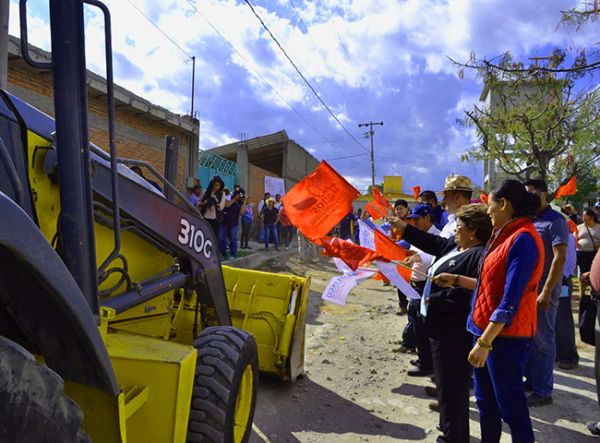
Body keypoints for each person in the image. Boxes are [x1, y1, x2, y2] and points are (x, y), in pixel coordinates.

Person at [392, 204, 493, 443]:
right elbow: (431, 243)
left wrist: (432, 299)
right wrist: (403, 227)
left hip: (454, 332)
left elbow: (470, 296)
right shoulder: (454, 246)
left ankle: (454, 438)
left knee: (452, 390)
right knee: (445, 386)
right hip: (439, 328)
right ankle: (448, 430)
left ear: (473, 230)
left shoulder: (478, 256)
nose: (454, 231)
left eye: (459, 227)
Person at [456, 179, 543, 443]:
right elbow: (489, 287)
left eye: (491, 209)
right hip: (485, 332)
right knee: (486, 403)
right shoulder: (502, 234)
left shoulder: (523, 240)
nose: (489, 214)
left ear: (504, 204)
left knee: (512, 409)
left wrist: (485, 342)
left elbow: (509, 301)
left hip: (505, 338)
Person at [523, 179, 569, 407]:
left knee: (543, 339)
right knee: (530, 337)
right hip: (529, 288)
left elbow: (559, 258)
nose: (529, 198)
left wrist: (547, 291)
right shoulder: (530, 219)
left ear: (545, 194)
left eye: (532, 194)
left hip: (544, 289)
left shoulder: (555, 221)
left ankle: (544, 390)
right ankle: (532, 381)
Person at [402, 204, 440, 377]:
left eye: (417, 219)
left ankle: (427, 364)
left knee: (423, 327)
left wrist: (416, 257)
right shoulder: (419, 236)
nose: (414, 223)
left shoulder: (437, 236)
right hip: (415, 285)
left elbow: (433, 257)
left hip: (426, 286)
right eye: (412, 220)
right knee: (417, 325)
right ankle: (422, 358)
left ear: (427, 218)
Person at [555, 217, 579, 370]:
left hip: (562, 281)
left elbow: (568, 263)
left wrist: (559, 279)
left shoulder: (567, 236)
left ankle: (568, 356)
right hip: (556, 281)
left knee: (562, 320)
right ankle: (558, 353)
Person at [438, 175, 474, 239]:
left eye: (446, 196)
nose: (444, 200)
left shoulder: (469, 225)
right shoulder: (451, 220)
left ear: (457, 196)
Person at [578, 208, 600, 296]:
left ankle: (594, 292)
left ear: (592, 217)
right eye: (583, 216)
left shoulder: (598, 227)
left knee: (593, 273)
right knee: (582, 275)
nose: (583, 218)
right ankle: (582, 294)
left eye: (585, 216)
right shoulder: (579, 227)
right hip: (582, 254)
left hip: (594, 254)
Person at [218, 187, 245, 260]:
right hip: (224, 222)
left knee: (233, 238)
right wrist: (235, 199)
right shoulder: (229, 197)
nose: (239, 195)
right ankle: (223, 254)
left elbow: (241, 213)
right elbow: (227, 205)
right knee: (221, 238)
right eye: (239, 194)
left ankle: (233, 254)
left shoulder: (240, 202)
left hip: (233, 223)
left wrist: (244, 202)